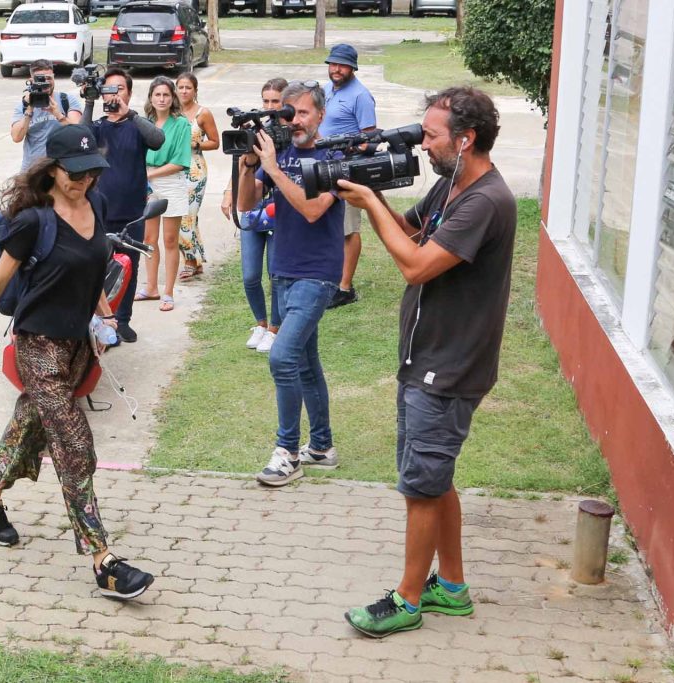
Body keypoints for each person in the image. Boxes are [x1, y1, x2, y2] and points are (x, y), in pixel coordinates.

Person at [0, 124, 155, 601]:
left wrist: (105, 319)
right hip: (37, 345)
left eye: (90, 173)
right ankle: (104, 561)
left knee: (28, 424)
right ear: (53, 169)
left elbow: (92, 268)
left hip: (77, 345)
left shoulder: (96, 206)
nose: (83, 181)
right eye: (73, 173)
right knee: (73, 442)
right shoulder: (33, 221)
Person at [337, 87, 516, 637]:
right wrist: (369, 190)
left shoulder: (486, 200)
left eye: (431, 135)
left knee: (420, 484)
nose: (423, 143)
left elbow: (415, 265)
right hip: (430, 357)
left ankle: (408, 599)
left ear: (465, 141)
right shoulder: (451, 184)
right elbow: (413, 231)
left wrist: (369, 206)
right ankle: (452, 587)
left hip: (450, 366)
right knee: (436, 478)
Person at [236, 80, 345, 487]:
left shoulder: (334, 155)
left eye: (302, 113)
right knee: (304, 360)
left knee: (281, 357)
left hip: (317, 275)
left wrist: (275, 169)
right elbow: (247, 205)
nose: (294, 121)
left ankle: (287, 452)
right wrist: (250, 165)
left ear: (320, 114)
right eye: (288, 113)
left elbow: (314, 210)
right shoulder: (276, 153)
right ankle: (321, 446)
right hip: (282, 269)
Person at [86, 67, 166, 343]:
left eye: (120, 88)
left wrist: (129, 113)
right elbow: (81, 141)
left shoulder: (137, 125)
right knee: (96, 269)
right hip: (98, 212)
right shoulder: (97, 127)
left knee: (128, 267)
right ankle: (99, 320)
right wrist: (89, 101)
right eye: (109, 89)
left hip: (131, 213)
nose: (114, 94)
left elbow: (157, 140)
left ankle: (123, 319)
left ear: (129, 94)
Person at [222, 78, 288, 354]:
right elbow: (242, 165)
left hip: (278, 213)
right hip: (252, 212)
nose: (270, 106)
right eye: (266, 101)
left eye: (275, 101)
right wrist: (229, 192)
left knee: (274, 274)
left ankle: (275, 328)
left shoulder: (289, 134)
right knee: (250, 276)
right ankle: (260, 323)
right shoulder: (256, 130)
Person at [319, 43, 376, 309]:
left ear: (352, 67)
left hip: (349, 170)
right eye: (332, 64)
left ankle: (345, 288)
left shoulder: (361, 96)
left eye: (341, 65)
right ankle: (329, 279)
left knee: (349, 229)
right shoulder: (326, 89)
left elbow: (370, 140)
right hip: (324, 168)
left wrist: (347, 146)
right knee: (329, 226)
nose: (336, 69)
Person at [136, 77, 191, 313]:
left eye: (166, 95)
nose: (161, 99)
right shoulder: (143, 122)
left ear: (173, 98)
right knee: (149, 239)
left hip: (169, 182)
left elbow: (180, 161)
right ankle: (151, 287)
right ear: (151, 97)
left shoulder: (181, 124)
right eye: (157, 95)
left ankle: (167, 291)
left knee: (169, 240)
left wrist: (149, 175)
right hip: (146, 182)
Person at [176, 72, 219, 282]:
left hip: (195, 169)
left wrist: (196, 144)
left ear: (195, 90)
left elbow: (215, 142)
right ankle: (196, 260)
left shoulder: (203, 113)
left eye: (188, 88)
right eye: (180, 87)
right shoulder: (172, 112)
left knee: (186, 216)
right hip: (174, 169)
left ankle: (190, 262)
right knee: (182, 216)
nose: (184, 91)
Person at [10, 59, 83, 171]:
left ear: (54, 77)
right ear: (31, 80)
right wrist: (29, 109)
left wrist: (59, 115)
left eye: (49, 78)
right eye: (40, 79)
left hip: (62, 169)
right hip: (32, 170)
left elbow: (79, 133)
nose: (45, 83)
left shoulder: (67, 100)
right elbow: (16, 137)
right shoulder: (23, 106)